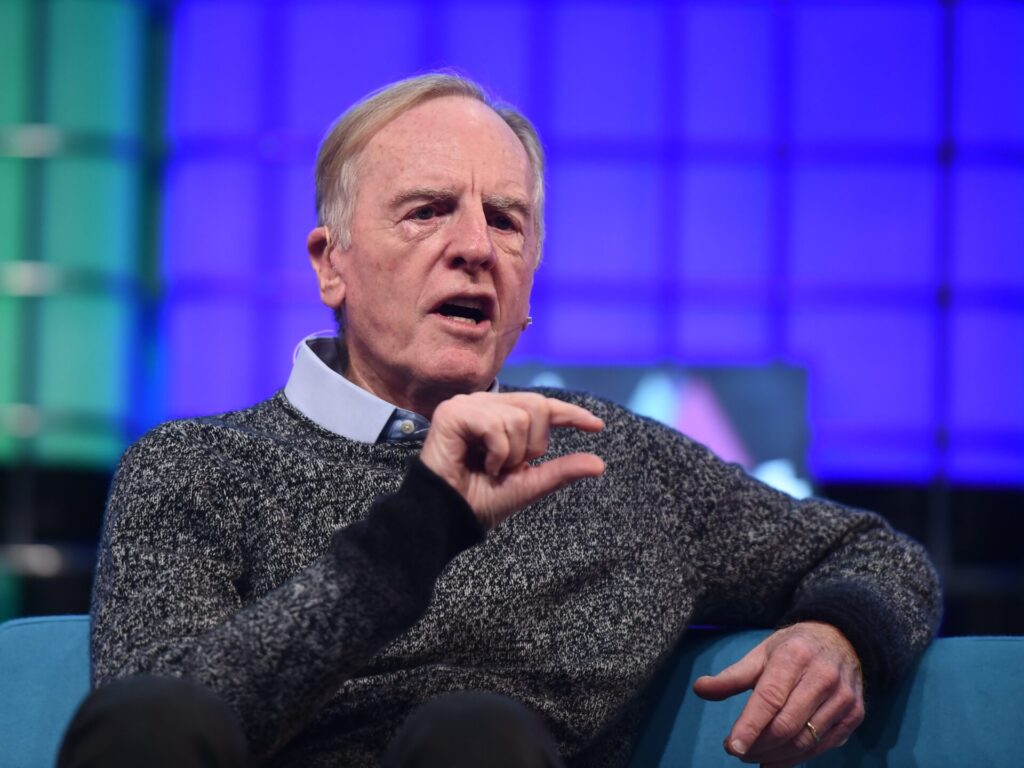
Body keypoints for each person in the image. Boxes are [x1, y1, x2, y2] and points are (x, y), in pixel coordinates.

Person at [60, 74, 941, 768]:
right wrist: (424, 522)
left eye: (507, 220)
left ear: (525, 295)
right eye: (427, 210)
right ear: (333, 265)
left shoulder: (614, 464)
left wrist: (840, 635)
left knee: (474, 735)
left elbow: (874, 552)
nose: (476, 246)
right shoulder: (194, 466)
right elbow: (152, 727)